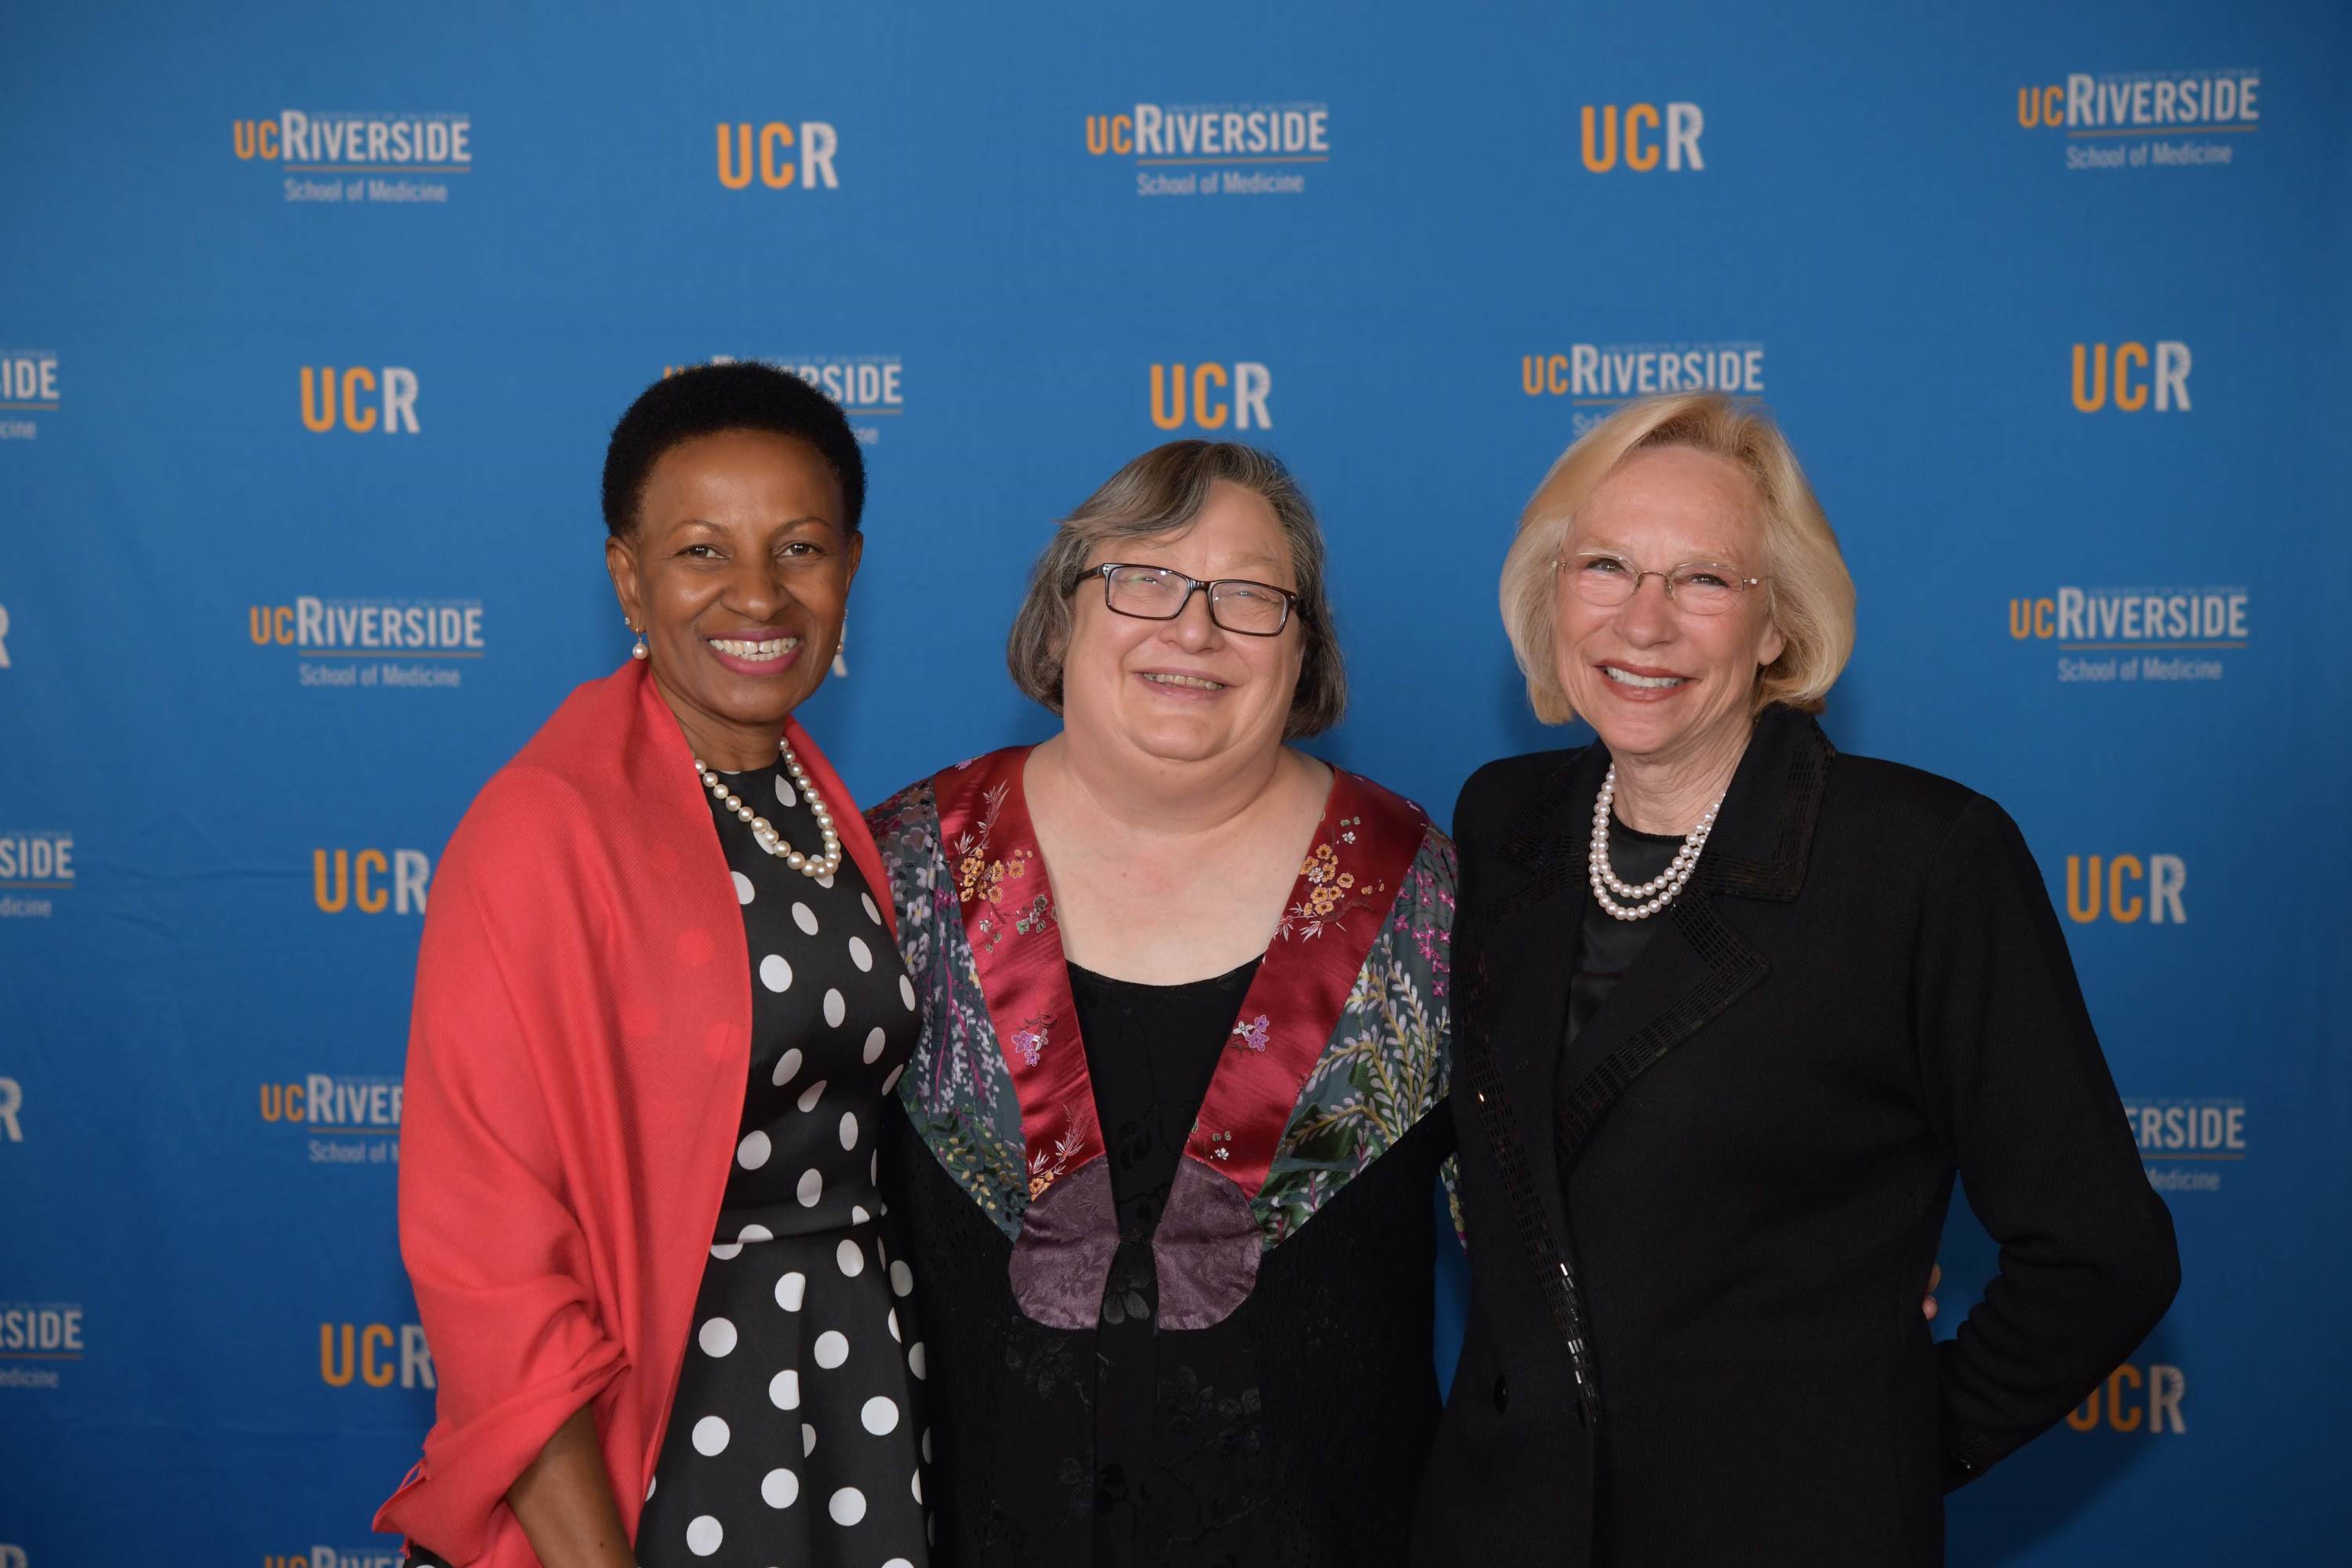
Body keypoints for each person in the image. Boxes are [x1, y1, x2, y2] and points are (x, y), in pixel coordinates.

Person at [1410, 392, 2180, 1567]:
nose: (1645, 621)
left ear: (1780, 624)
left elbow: (2102, 1254)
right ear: (1552, 590)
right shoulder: (1505, 822)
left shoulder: (1920, 860)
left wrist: (1882, 1447)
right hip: (1502, 1531)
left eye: (1706, 580)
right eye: (1606, 564)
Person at [376, 363, 931, 1568]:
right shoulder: (547, 826)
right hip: (662, 1448)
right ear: (627, 575)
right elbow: (490, 1269)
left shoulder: (810, 799)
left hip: (847, 1410)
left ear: (850, 567)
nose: (756, 594)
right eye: (699, 552)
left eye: (799, 547)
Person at [864, 441, 1457, 1566]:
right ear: (1063, 615)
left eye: (1248, 597)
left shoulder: (1427, 904)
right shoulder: (909, 880)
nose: (1193, 631)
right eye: (1144, 580)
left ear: (1304, 647)